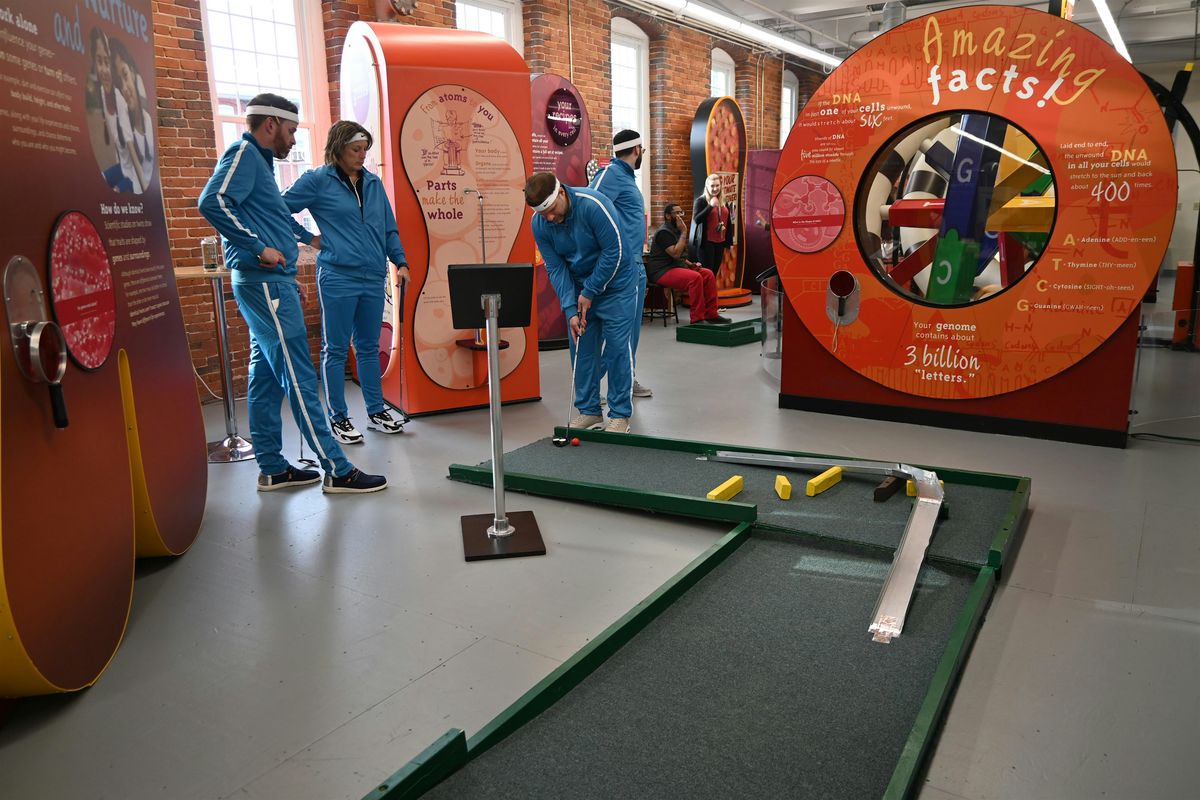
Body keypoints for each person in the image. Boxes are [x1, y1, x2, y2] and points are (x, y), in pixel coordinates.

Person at [198, 93, 387, 494]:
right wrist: (258, 248)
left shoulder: (259, 161)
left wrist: (287, 264)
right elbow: (212, 201)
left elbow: (267, 217)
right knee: (300, 377)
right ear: (271, 124)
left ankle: (272, 468)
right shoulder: (245, 154)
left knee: (266, 379)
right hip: (263, 282)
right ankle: (337, 468)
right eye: (291, 130)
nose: (294, 139)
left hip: (271, 281)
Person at [282, 120, 409, 444]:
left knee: (368, 347)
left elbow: (389, 228)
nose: (362, 155)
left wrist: (401, 261)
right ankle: (338, 417)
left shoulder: (374, 184)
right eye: (356, 149)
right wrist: (308, 238)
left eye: (365, 149)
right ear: (338, 148)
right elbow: (279, 209)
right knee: (336, 348)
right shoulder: (317, 180)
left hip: (373, 276)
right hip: (337, 276)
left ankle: (376, 411)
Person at [525, 172, 638, 433]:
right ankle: (589, 411)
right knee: (582, 349)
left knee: (618, 348)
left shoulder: (594, 206)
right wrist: (569, 308)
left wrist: (590, 290)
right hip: (580, 289)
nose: (549, 218)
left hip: (617, 286)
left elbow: (614, 252)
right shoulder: (539, 224)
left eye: (551, 210)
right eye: (543, 214)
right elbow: (555, 267)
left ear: (561, 192)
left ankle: (620, 414)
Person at [589, 129, 651, 399]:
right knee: (615, 334)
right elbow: (589, 208)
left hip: (635, 265)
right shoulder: (610, 174)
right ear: (637, 150)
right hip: (620, 268)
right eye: (642, 150)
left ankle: (627, 378)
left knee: (630, 333)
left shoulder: (626, 177)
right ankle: (591, 387)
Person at [646, 203, 730, 325]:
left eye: (681, 212)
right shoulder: (663, 232)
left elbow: (679, 256)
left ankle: (711, 314)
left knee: (708, 274)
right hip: (661, 271)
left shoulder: (676, 230)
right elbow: (675, 253)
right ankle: (697, 319)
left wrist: (691, 264)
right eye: (676, 213)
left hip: (674, 266)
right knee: (695, 278)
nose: (680, 215)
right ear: (668, 216)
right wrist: (684, 231)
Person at [108, 38, 154, 194]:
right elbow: (129, 172)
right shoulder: (125, 123)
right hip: (133, 185)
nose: (125, 89)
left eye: (125, 75)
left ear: (133, 74)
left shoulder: (149, 122)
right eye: (119, 84)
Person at [691, 172, 736, 276]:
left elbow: (728, 222)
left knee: (714, 273)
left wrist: (729, 243)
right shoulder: (701, 201)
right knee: (708, 274)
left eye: (717, 185)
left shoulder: (724, 201)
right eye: (712, 186)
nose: (715, 188)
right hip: (706, 243)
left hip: (720, 242)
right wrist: (710, 206)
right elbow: (696, 220)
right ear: (707, 186)